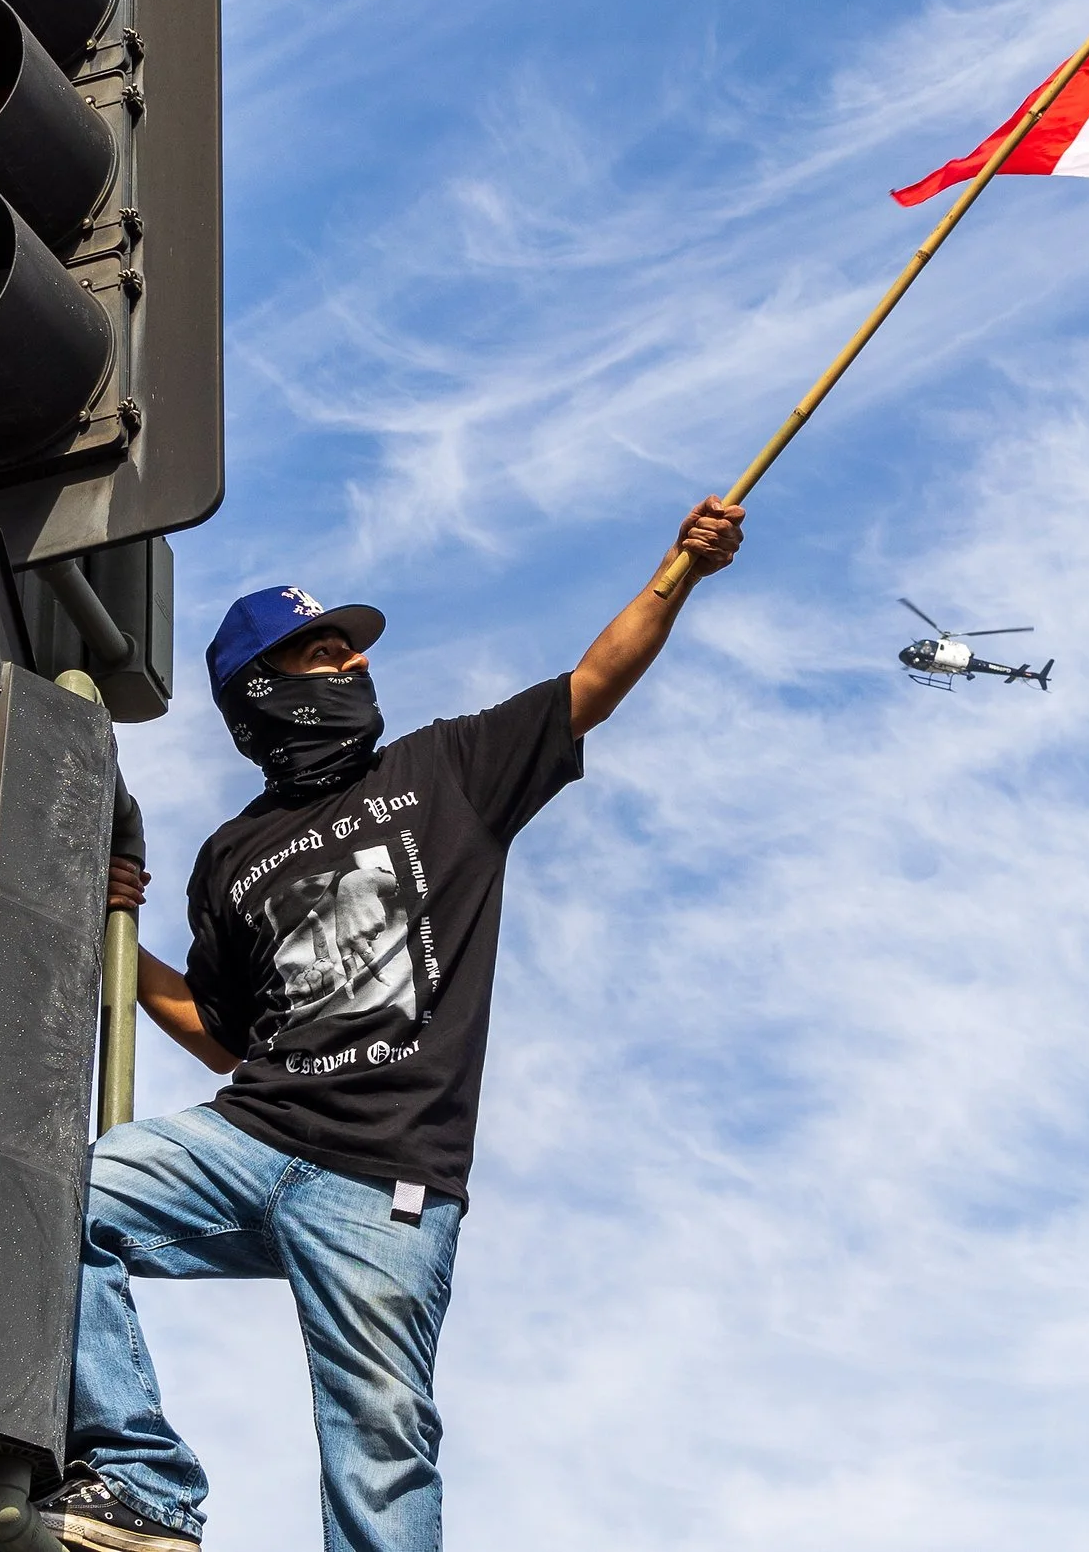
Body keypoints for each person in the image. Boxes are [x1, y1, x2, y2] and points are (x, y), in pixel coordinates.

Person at [38, 497, 747, 1552]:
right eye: (323, 654)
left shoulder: (446, 770)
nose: (351, 667)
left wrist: (678, 569)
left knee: (379, 1439)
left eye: (350, 652)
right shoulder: (229, 856)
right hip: (254, 1135)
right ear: (263, 691)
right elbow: (227, 1033)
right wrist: (121, 942)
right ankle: (141, 1486)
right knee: (56, 1194)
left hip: (386, 1175)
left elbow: (590, 685)